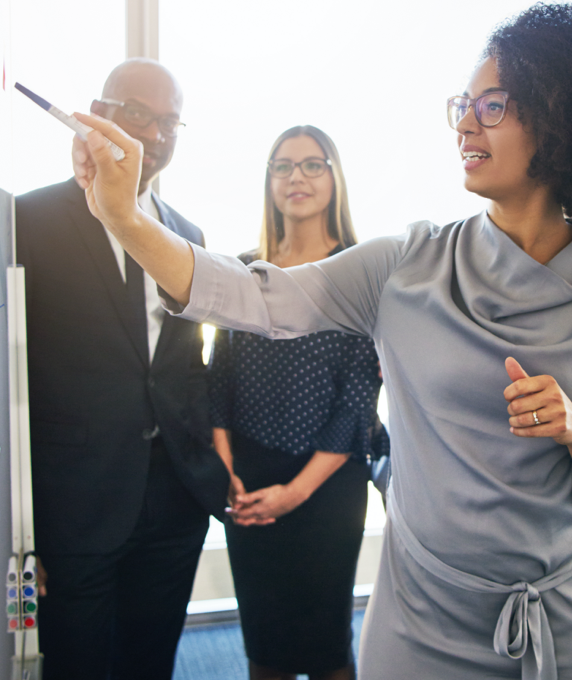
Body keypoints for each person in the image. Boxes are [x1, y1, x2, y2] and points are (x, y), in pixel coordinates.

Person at [70, 4, 572, 678]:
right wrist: (123, 217)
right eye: (463, 105)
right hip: (423, 619)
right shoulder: (404, 265)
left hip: (571, 619)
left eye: (492, 105)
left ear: (565, 119)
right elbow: (249, 295)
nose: (466, 124)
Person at [15, 58, 229, 680]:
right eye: (139, 115)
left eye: (169, 122)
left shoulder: (187, 235)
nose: (155, 136)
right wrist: (27, 526)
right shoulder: (30, 221)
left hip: (175, 498)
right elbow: (13, 382)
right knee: (77, 664)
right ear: (99, 113)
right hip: (76, 503)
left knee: (151, 660)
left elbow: (184, 368)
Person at [209, 125, 381, 680]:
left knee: (327, 645)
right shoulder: (244, 268)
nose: (296, 177)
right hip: (249, 477)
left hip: (328, 482)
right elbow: (220, 375)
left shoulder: (360, 271)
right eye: (282, 166)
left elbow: (359, 396)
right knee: (264, 645)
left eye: (312, 164)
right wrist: (226, 468)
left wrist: (296, 493)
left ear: (334, 176)